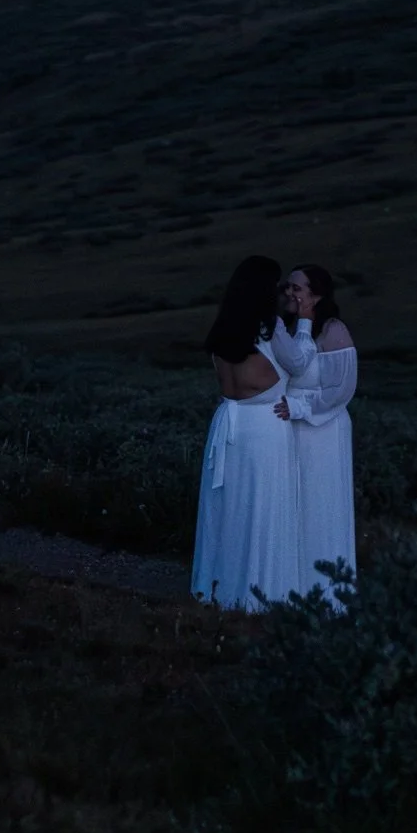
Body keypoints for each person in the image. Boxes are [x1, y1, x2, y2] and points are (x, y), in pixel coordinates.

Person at [190, 255, 302, 611]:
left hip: (228, 423)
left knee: (225, 510)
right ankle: (260, 593)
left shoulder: (222, 332)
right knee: (262, 509)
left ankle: (217, 588)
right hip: (264, 427)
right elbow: (301, 363)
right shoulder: (273, 331)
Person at [270, 264, 357, 600]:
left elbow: (342, 388)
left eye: (297, 288)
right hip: (289, 428)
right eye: (286, 288)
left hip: (322, 431)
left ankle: (324, 590)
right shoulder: (293, 329)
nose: (289, 294)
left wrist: (301, 409)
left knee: (319, 503)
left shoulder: (334, 331)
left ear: (316, 295)